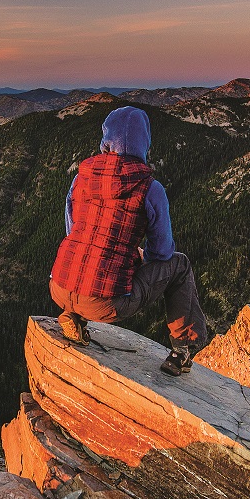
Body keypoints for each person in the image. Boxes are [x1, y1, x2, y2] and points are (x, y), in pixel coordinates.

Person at [49, 105, 208, 376]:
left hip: (59, 286)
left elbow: (73, 231)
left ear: (106, 141)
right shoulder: (150, 188)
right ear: (143, 142)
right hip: (106, 303)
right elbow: (161, 252)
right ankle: (182, 351)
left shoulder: (80, 178)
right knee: (179, 265)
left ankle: (71, 315)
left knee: (90, 257)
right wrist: (136, 255)